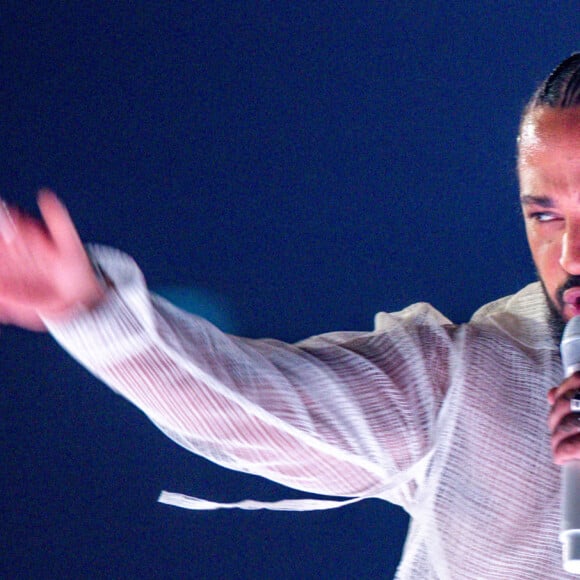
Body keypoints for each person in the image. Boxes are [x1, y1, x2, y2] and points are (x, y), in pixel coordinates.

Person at [1, 53, 580, 578]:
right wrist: (89, 310)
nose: (569, 256)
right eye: (545, 216)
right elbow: (269, 409)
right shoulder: (475, 374)